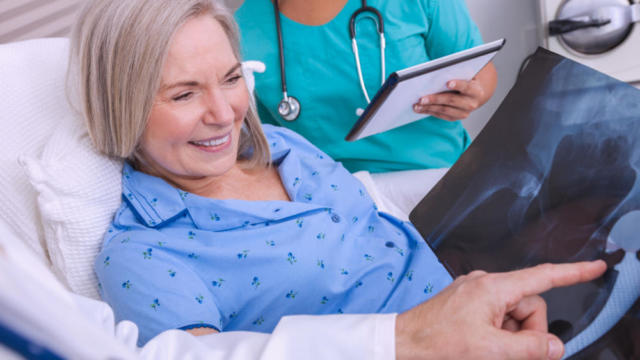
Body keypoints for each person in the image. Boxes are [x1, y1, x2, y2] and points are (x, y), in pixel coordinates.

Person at [69, 0, 606, 358]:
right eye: (184, 93)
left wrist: (478, 306)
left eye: (232, 79)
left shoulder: (286, 148)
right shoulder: (143, 253)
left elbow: (386, 247)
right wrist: (415, 340)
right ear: (122, 106)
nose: (224, 113)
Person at [234, 0, 498, 217]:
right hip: (334, 201)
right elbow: (261, 144)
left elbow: (482, 72)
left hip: (438, 180)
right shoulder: (241, 28)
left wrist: (474, 94)